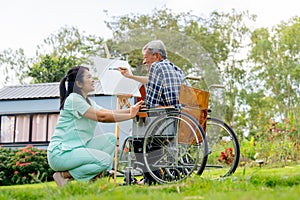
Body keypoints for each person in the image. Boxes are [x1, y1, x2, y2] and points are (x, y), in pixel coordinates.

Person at [47, 66, 143, 187]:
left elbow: (108, 112)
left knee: (110, 139)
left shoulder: (87, 101)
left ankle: (92, 181)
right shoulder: (73, 99)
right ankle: (64, 175)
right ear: (79, 83)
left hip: (77, 148)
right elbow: (102, 117)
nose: (92, 80)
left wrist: (131, 110)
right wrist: (130, 115)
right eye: (89, 77)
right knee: (105, 160)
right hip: (61, 153)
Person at [118, 40, 186, 185]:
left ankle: (152, 178)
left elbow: (152, 99)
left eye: (145, 57)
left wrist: (141, 106)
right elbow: (151, 81)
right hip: (179, 117)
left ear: (156, 56)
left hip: (166, 116)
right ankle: (156, 176)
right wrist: (130, 77)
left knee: (137, 140)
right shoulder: (176, 69)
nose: (143, 62)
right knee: (153, 140)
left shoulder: (156, 66)